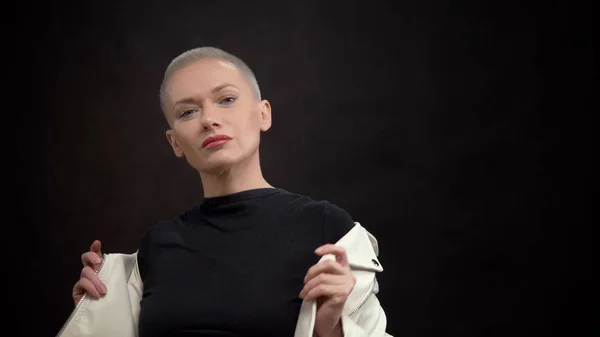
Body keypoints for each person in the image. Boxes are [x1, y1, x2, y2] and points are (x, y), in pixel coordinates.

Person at [61, 46, 391, 337]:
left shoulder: (327, 230)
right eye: (188, 111)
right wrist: (97, 317)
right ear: (175, 141)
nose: (209, 119)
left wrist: (331, 329)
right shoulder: (156, 246)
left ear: (264, 114)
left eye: (227, 99)